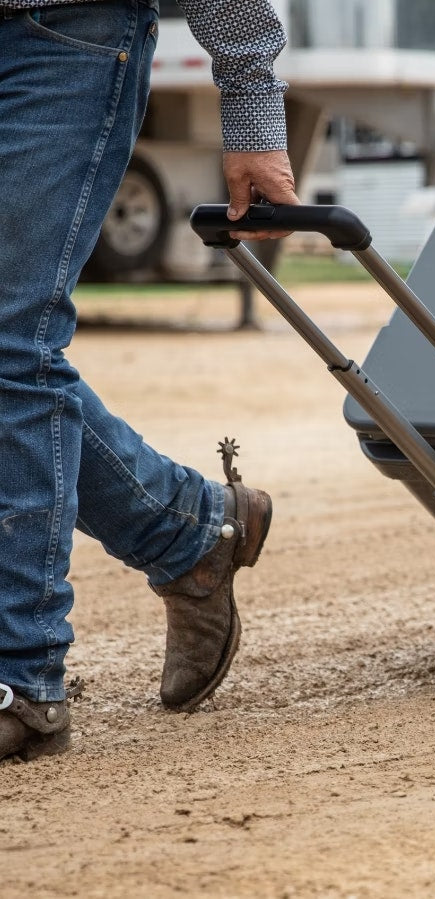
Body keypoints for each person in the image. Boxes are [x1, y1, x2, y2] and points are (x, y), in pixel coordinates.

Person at [0, 0, 300, 762]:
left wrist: (251, 101)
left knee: (10, 343)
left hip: (62, 29)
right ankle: (189, 530)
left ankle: (23, 680)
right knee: (9, 356)